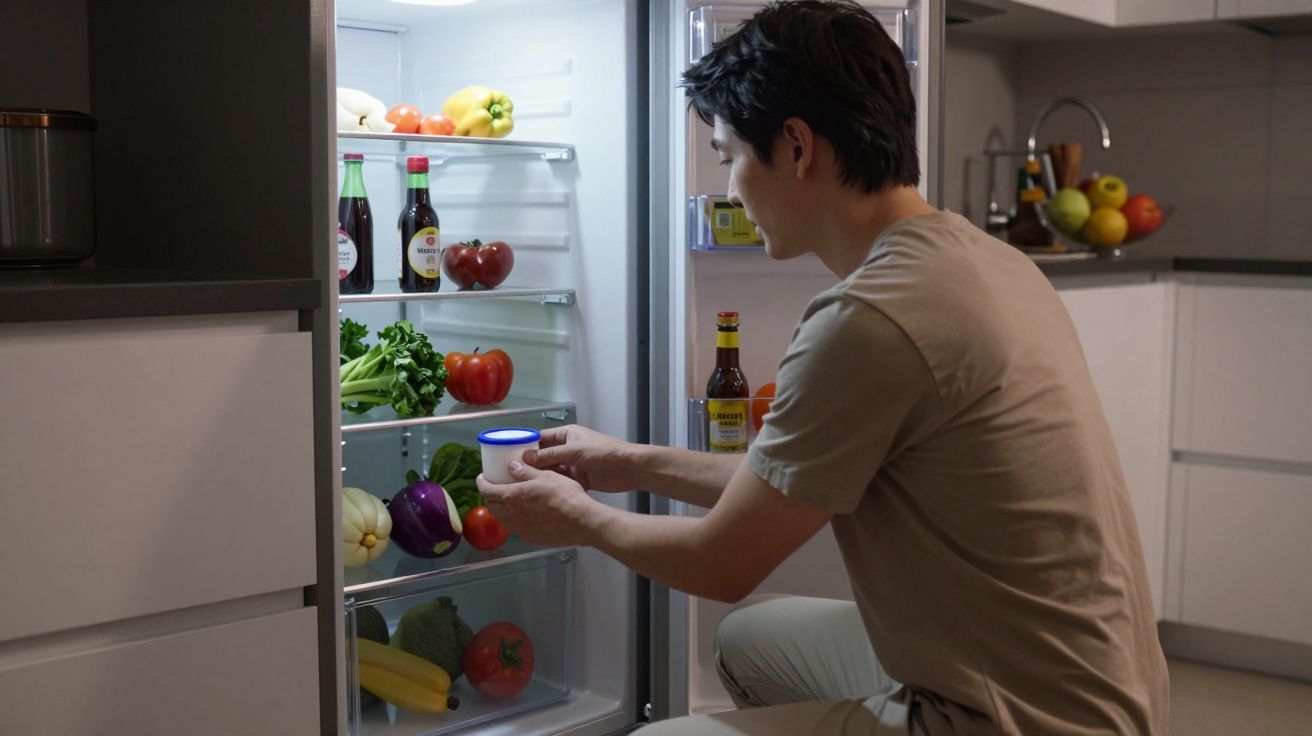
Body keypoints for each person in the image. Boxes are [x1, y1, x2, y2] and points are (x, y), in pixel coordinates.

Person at [475, 1, 1169, 733]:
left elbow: (722, 564)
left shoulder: (870, 319)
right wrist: (632, 463)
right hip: (1091, 679)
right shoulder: (983, 261)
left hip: (1024, 718)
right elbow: (782, 485)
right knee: (752, 639)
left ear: (798, 148)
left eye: (730, 156)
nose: (733, 186)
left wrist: (580, 519)